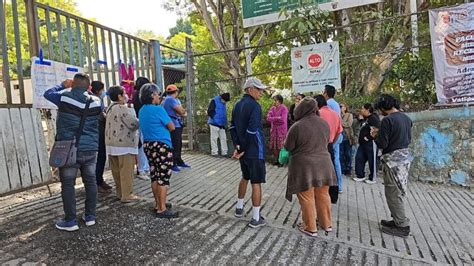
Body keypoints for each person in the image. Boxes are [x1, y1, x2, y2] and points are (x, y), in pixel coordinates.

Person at [44, 73, 102, 231]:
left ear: (73, 84)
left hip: (69, 149)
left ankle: (70, 221)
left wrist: (63, 85)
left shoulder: (64, 97)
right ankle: (90, 216)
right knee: (90, 181)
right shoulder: (97, 101)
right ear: (88, 86)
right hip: (90, 149)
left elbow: (47, 93)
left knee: (68, 184)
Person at [284, 97, 337, 237]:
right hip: (325, 165)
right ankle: (326, 224)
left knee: (306, 196)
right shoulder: (324, 124)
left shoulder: (297, 126)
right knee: (323, 194)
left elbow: (288, 146)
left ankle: (310, 227)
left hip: (304, 167)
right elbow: (329, 141)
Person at [370, 94, 412, 238]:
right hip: (404, 159)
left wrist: (376, 135)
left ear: (383, 107)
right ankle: (397, 220)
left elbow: (383, 144)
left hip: (392, 161)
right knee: (399, 190)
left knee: (393, 193)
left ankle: (402, 225)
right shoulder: (406, 118)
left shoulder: (387, 120)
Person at [230, 77, 267, 228]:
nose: (261, 93)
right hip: (254, 150)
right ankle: (256, 218)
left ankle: (239, 208)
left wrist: (238, 148)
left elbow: (232, 128)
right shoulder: (255, 106)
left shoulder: (237, 105)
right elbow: (252, 130)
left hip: (243, 150)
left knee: (245, 177)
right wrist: (244, 148)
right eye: (259, 89)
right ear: (250, 89)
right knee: (256, 182)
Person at [139, 83, 178, 218]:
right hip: (162, 145)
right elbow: (172, 126)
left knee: (154, 175)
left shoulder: (142, 110)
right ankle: (162, 209)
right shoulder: (159, 110)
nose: (159, 96)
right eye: (157, 94)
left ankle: (158, 204)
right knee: (163, 177)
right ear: (152, 96)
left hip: (148, 145)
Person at [105, 85, 141, 203]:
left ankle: (120, 193)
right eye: (124, 93)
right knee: (126, 170)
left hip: (111, 144)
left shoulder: (109, 108)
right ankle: (127, 194)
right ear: (119, 96)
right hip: (124, 144)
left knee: (116, 171)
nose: (126, 95)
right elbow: (133, 124)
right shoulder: (122, 108)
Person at [90, 81, 112, 193]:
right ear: (98, 90)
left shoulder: (97, 99)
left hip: (98, 131)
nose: (104, 92)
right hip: (97, 131)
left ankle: (99, 180)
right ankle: (97, 182)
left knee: (101, 157)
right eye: (102, 90)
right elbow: (101, 116)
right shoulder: (95, 100)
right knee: (100, 157)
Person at [163, 84, 190, 172]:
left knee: (178, 143)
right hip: (174, 124)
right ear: (176, 92)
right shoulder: (171, 99)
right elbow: (181, 111)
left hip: (174, 123)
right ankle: (174, 162)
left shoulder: (166, 100)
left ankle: (178, 160)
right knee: (175, 144)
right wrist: (182, 112)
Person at [323, 85, 343, 193]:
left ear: (326, 93)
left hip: (331, 137)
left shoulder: (328, 104)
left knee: (333, 161)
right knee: (336, 160)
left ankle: (334, 186)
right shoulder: (335, 103)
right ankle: (339, 185)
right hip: (337, 134)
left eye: (323, 91)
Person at [354, 103, 381, 184]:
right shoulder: (366, 118)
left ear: (368, 110)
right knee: (359, 158)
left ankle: (373, 177)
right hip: (362, 143)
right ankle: (360, 175)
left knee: (372, 160)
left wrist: (369, 137)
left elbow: (377, 130)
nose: (361, 110)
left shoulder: (374, 118)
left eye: (363, 109)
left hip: (370, 143)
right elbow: (365, 125)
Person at [132, 77, 151, 180]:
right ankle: (141, 169)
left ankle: (145, 168)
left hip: (143, 123)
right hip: (141, 123)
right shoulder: (139, 96)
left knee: (143, 146)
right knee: (141, 147)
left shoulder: (137, 95)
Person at [267, 94, 288, 166]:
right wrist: (277, 118)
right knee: (274, 146)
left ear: (280, 101)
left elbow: (282, 120)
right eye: (274, 100)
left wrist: (274, 119)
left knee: (281, 146)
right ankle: (276, 160)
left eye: (275, 100)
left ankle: (281, 161)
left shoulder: (284, 108)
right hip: (274, 131)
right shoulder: (272, 108)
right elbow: (268, 118)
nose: (274, 102)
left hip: (281, 131)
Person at [207, 92, 231, 157]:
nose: (225, 103)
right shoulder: (214, 100)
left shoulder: (223, 103)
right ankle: (214, 152)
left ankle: (224, 153)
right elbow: (209, 111)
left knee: (223, 138)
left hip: (222, 124)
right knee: (214, 138)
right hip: (214, 123)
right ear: (222, 98)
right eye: (225, 101)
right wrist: (215, 119)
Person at [340, 103, 354, 176]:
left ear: (345, 108)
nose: (340, 108)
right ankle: (342, 169)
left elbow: (349, 124)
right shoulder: (338, 114)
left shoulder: (349, 115)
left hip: (347, 137)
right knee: (341, 154)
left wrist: (340, 122)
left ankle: (348, 169)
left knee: (348, 154)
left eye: (341, 106)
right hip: (340, 137)